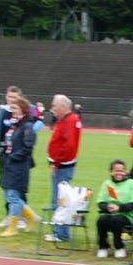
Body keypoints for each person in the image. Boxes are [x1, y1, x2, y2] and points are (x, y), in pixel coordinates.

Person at [0, 95, 39, 236]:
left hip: (19, 167)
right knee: (8, 195)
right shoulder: (15, 124)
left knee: (13, 196)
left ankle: (13, 227)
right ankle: (32, 218)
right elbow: (8, 142)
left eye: (15, 108)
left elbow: (28, 148)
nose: (12, 110)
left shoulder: (27, 126)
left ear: (23, 109)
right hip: (9, 164)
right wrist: (3, 152)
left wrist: (13, 157)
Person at [45, 94, 82, 243]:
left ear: (63, 106)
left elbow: (69, 146)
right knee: (61, 199)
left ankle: (61, 234)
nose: (52, 108)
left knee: (59, 200)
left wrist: (56, 163)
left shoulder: (70, 121)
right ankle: (59, 232)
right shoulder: (67, 120)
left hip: (62, 167)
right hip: (62, 165)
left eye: (55, 105)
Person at [94, 159, 133, 259]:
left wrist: (119, 208)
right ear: (111, 172)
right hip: (110, 213)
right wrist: (107, 207)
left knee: (117, 219)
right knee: (101, 220)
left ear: (125, 172)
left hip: (127, 216)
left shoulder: (132, 183)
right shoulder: (107, 183)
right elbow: (101, 202)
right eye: (116, 170)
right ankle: (103, 247)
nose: (119, 173)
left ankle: (119, 247)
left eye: (121, 170)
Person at [0, 86, 25, 230]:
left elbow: (35, 125)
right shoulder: (3, 112)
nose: (11, 100)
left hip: (17, 157)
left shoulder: (22, 113)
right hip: (3, 155)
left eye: (14, 97)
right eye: (9, 97)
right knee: (5, 187)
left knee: (17, 188)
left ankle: (20, 217)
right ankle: (9, 214)